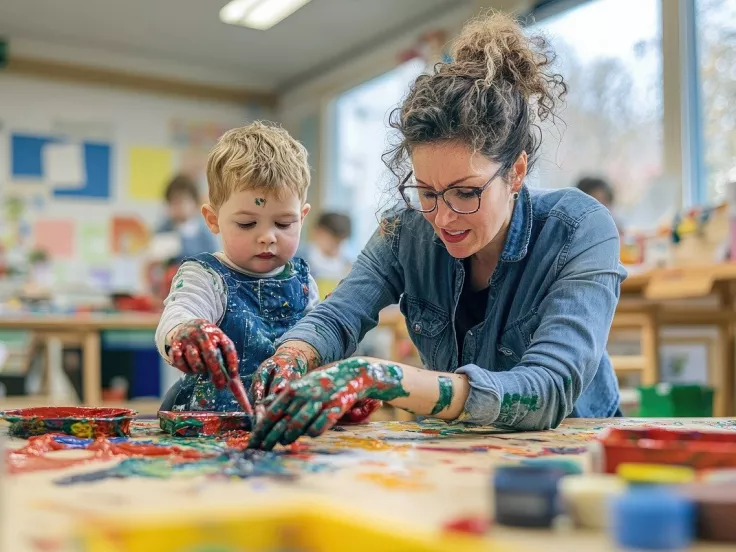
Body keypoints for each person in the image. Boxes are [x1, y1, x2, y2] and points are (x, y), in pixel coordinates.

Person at [247, 11, 627, 450]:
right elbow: (338, 316)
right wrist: (292, 354)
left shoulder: (580, 229)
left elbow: (549, 389)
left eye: (466, 193)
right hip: (460, 449)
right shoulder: (404, 233)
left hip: (578, 455)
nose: (443, 218)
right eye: (426, 192)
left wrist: (382, 377)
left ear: (516, 172)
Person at [155, 122, 321, 412]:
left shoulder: (303, 281)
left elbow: (318, 345)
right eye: (247, 223)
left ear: (302, 218)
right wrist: (184, 332)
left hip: (281, 417)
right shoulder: (205, 277)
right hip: (209, 420)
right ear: (213, 219)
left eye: (284, 223)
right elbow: (178, 314)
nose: (268, 236)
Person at [156, 174, 220, 262]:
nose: (178, 206)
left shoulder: (205, 231)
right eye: (174, 202)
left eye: (182, 201)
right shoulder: (162, 229)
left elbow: (213, 260)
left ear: (194, 202)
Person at [301, 212, 353, 299]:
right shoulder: (298, 261)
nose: (336, 246)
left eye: (339, 242)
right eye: (333, 239)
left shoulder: (348, 268)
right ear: (318, 232)